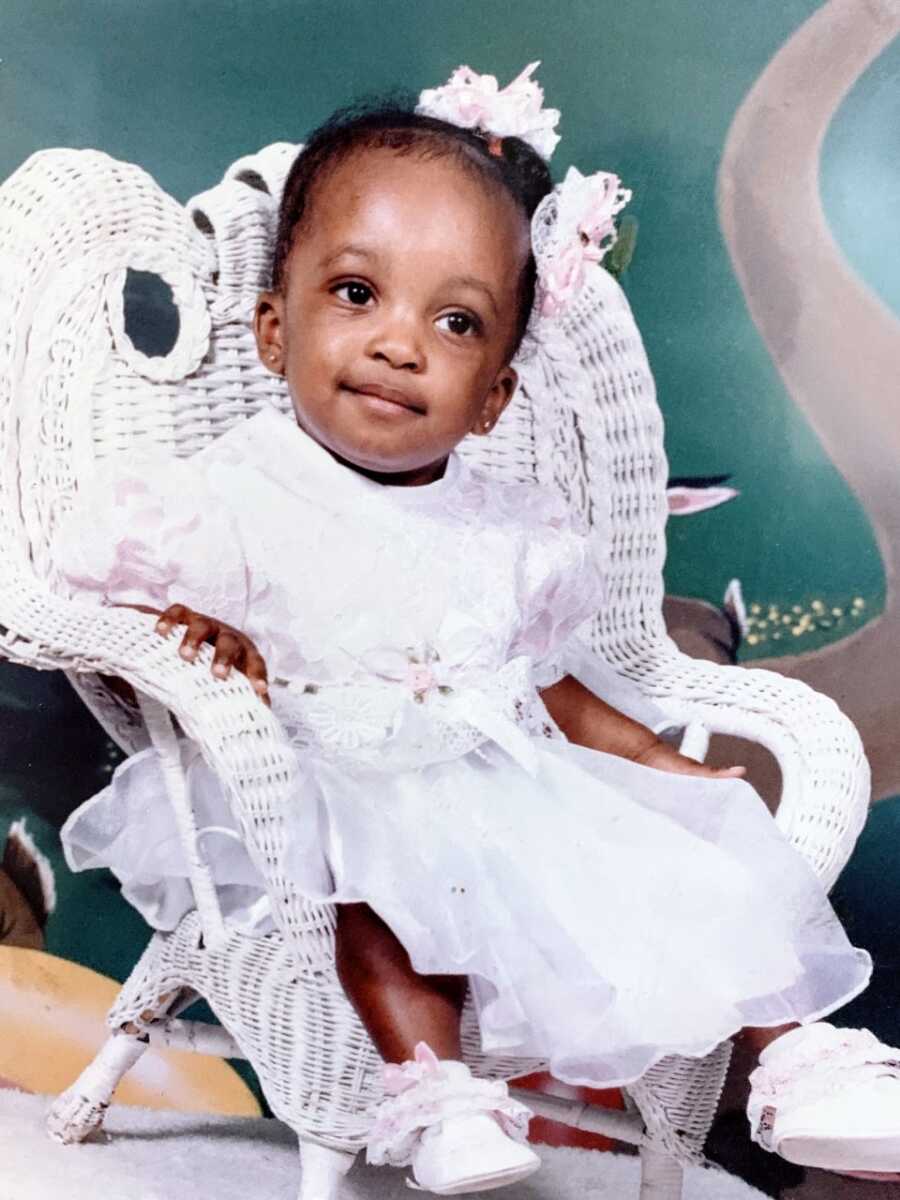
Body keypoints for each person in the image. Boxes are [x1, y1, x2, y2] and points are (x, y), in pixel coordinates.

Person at [51, 63, 900, 1194]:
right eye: (357, 294)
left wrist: (651, 763)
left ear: (494, 395)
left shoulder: (507, 524)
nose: (400, 342)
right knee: (383, 897)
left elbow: (534, 680)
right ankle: (436, 1094)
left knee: (697, 838)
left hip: (497, 780)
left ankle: (795, 1058)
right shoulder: (231, 494)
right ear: (272, 327)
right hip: (316, 784)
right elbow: (108, 602)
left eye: (455, 321)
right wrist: (199, 628)